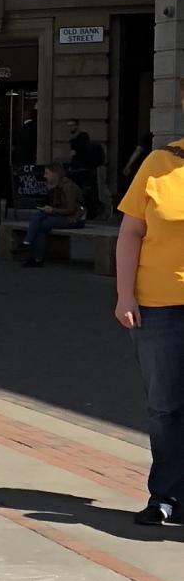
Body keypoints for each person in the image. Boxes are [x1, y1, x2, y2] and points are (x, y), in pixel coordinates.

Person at [116, 95, 184, 531]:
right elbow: (130, 234)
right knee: (165, 407)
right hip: (157, 307)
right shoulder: (160, 163)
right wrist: (125, 296)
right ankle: (166, 497)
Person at [18, 165, 84, 266]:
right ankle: (27, 242)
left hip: (74, 219)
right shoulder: (55, 186)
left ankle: (36, 258)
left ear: (55, 174)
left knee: (43, 225)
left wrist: (52, 210)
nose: (45, 176)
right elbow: (54, 204)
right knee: (38, 216)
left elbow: (71, 210)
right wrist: (50, 192)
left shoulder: (68, 186)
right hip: (60, 215)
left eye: (47, 173)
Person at [66, 127, 105, 220]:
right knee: (92, 192)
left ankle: (86, 211)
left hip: (80, 172)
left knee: (82, 193)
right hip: (91, 171)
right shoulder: (95, 146)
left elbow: (74, 159)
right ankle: (93, 211)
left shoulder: (77, 147)